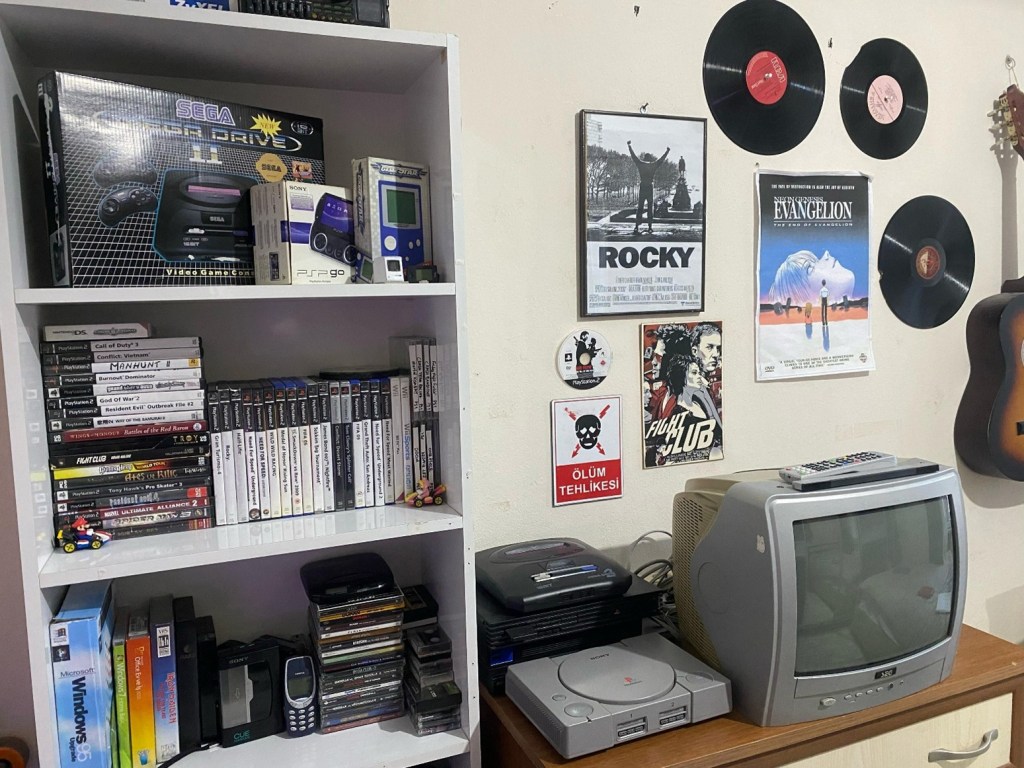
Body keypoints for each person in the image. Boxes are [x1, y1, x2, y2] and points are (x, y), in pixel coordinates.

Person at [627, 140, 670, 235]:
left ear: (644, 158)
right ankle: (650, 227)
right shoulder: (653, 165)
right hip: (649, 187)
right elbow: (661, 160)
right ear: (650, 159)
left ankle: (636, 227)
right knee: (650, 207)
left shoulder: (640, 164)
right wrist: (667, 151)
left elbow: (633, 156)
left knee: (640, 207)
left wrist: (629, 146)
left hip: (643, 186)